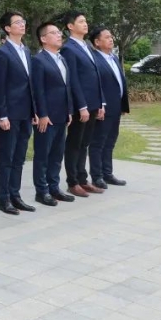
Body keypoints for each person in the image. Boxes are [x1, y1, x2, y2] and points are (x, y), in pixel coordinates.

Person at [0, 12, 37, 215]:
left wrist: (34, 110)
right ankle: (4, 199)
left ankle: (15, 195)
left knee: (19, 157)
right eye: (17, 22)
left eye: (23, 21)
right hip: (9, 114)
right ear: (7, 28)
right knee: (6, 158)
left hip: (26, 113)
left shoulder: (25, 50)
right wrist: (2, 115)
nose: (22, 25)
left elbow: (30, 84)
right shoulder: (2, 53)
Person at [60, 11, 106, 197]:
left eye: (86, 21)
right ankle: (72, 182)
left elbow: (95, 76)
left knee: (85, 143)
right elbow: (73, 80)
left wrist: (101, 102)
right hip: (82, 106)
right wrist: (82, 106)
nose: (85, 24)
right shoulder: (68, 48)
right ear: (70, 26)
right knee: (75, 143)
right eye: (81, 21)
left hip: (94, 103)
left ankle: (82, 179)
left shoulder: (87, 46)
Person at [31, 22, 76, 206]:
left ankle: (54, 187)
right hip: (46, 117)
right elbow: (38, 90)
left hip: (62, 115)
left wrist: (69, 110)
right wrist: (42, 114)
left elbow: (67, 87)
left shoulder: (61, 59)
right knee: (43, 155)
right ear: (43, 38)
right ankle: (41, 191)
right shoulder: (38, 60)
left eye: (59, 32)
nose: (59, 35)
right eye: (54, 33)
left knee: (57, 155)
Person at [88, 27, 129, 188]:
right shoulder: (94, 59)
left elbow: (120, 83)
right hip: (103, 108)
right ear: (97, 42)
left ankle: (107, 173)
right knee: (98, 142)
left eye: (111, 36)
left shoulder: (113, 58)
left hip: (116, 107)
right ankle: (97, 176)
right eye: (106, 37)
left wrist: (123, 105)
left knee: (110, 141)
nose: (111, 39)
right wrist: (99, 104)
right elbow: (94, 85)